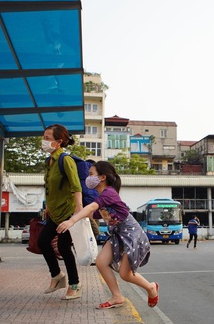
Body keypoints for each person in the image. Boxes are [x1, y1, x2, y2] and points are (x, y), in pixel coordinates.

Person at [57, 161, 158, 309]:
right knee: (101, 262)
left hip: (132, 236)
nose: (88, 178)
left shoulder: (109, 193)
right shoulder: (104, 196)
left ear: (102, 177)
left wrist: (71, 221)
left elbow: (91, 207)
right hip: (118, 236)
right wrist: (74, 213)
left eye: (91, 174)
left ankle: (151, 288)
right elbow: (93, 213)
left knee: (125, 274)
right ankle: (117, 297)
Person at [38, 124, 82, 300]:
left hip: (68, 213)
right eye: (44, 137)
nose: (44, 141)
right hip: (55, 213)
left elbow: (76, 186)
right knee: (42, 242)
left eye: (48, 138)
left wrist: (78, 211)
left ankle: (74, 285)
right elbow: (50, 186)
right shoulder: (48, 162)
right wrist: (48, 206)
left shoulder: (65, 160)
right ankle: (57, 277)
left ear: (59, 142)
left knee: (64, 247)